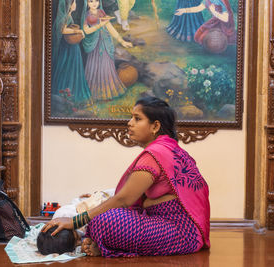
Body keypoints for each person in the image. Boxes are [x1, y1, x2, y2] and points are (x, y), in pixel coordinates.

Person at [42, 96, 210, 257]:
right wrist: (147, 203)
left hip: (180, 233)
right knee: (105, 215)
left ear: (155, 126)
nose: (129, 123)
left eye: (137, 119)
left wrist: (74, 222)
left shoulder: (155, 155)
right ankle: (104, 246)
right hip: (184, 229)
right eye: (131, 118)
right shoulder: (169, 149)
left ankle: (106, 246)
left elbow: (124, 199)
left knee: (103, 222)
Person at [81, 0, 133, 101]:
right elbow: (86, 30)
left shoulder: (101, 12)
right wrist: (100, 25)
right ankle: (95, 92)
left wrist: (122, 41)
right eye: (91, 1)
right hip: (95, 45)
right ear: (86, 3)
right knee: (95, 65)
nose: (94, 3)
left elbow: (109, 26)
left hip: (105, 42)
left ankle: (108, 91)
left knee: (107, 64)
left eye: (96, 1)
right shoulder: (86, 14)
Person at [51, 0, 92, 105]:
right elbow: (62, 30)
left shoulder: (68, 15)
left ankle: (69, 95)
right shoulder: (66, 16)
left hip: (71, 47)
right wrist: (78, 31)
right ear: (69, 5)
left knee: (71, 69)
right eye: (74, 2)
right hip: (68, 48)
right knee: (68, 69)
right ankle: (68, 97)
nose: (75, 4)